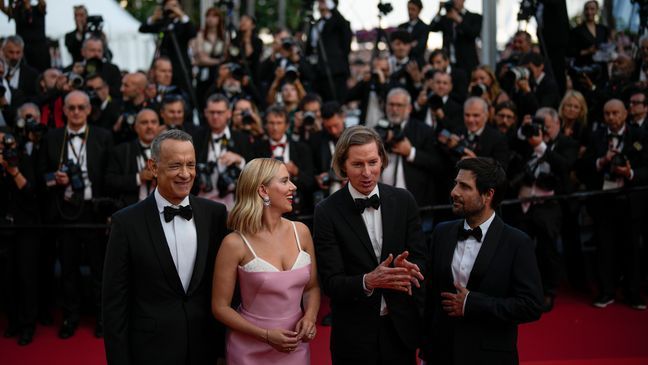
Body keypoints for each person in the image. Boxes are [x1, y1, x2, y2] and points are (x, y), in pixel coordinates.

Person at [103, 129, 228, 364]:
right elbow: (114, 304)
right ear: (153, 167)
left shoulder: (215, 214)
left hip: (205, 348)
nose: (185, 174)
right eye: (175, 166)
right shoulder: (126, 222)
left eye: (191, 164)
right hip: (151, 350)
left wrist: (223, 349)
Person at [313, 125, 426, 364]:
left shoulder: (404, 201)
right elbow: (331, 282)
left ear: (382, 160)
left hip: (400, 333)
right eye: (357, 164)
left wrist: (409, 270)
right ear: (342, 165)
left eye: (373, 162)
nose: (367, 172)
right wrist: (368, 281)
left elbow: (421, 259)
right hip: (354, 338)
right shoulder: (326, 212)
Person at [420, 157, 543, 365]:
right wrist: (426, 349)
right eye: (456, 183)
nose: (454, 192)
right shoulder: (443, 232)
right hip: (441, 353)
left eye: (464, 186)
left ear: (488, 195)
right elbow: (431, 296)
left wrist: (472, 304)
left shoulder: (516, 243)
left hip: (489, 356)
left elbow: (531, 306)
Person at [212, 158, 320, 364]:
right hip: (248, 349)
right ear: (263, 190)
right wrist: (266, 335)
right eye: (285, 181)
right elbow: (220, 307)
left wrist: (310, 317)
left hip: (295, 348)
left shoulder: (302, 232)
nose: (293, 186)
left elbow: (312, 288)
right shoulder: (234, 243)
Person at [37, 91, 113, 339]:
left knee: (99, 269)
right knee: (68, 269)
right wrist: (54, 180)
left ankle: (102, 318)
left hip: (93, 211)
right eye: (72, 108)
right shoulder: (52, 137)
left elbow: (109, 177)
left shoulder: (103, 136)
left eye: (81, 107)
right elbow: (41, 177)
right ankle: (71, 317)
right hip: (64, 211)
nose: (77, 112)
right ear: (65, 111)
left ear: (89, 110)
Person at [578, 99, 648, 310]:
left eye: (615, 113)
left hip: (630, 201)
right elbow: (583, 167)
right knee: (605, 248)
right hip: (604, 202)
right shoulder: (596, 136)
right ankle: (606, 291)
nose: (611, 117)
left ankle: (633, 293)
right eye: (607, 113)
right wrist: (602, 161)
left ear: (625, 113)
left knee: (632, 249)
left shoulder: (640, 135)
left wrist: (630, 173)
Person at [105, 109, 161, 207]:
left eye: (153, 122)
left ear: (159, 126)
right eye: (144, 122)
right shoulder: (121, 151)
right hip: (131, 210)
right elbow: (110, 181)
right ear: (136, 127)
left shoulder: (169, 151)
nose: (149, 126)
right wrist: (139, 177)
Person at [139, 0, 197, 93]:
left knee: (183, 91)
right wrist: (154, 18)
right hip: (164, 62)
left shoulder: (183, 24)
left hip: (181, 64)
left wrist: (181, 15)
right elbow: (142, 29)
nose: (171, 9)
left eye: (174, 6)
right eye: (169, 6)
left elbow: (192, 32)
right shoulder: (162, 23)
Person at [306, 0, 353, 102]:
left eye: (323, 1)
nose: (320, 4)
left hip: (334, 72)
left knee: (334, 102)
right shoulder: (315, 23)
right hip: (316, 71)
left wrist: (331, 6)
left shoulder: (339, 23)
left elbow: (343, 28)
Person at [429, 0, 482, 75]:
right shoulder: (446, 18)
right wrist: (439, 11)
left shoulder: (474, 17)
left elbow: (473, 33)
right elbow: (431, 28)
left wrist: (458, 19)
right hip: (449, 63)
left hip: (467, 63)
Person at [398, 0, 429, 65]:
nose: (410, 12)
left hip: (417, 64)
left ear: (419, 10)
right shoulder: (401, 26)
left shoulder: (424, 27)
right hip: (400, 62)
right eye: (409, 9)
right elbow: (396, 45)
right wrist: (411, 44)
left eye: (413, 9)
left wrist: (403, 46)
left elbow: (420, 48)